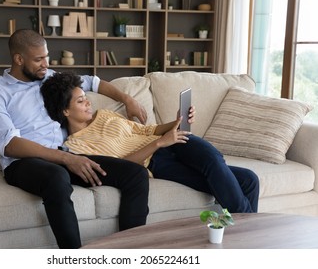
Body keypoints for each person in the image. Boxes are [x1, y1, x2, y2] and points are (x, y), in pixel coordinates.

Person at [0, 29, 150, 249]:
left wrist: (127, 99)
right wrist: (65, 159)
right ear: (19, 59)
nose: (45, 64)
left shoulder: (50, 78)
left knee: (135, 174)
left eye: (46, 57)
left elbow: (93, 82)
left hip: (65, 155)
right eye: (38, 59)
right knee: (57, 177)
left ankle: (131, 251)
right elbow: (9, 145)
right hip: (23, 163)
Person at [41, 72, 260, 214]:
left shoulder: (104, 115)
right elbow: (121, 168)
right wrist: (159, 144)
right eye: (80, 101)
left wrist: (177, 122)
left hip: (175, 141)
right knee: (248, 180)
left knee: (214, 160)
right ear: (65, 111)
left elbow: (147, 130)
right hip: (156, 162)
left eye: (85, 97)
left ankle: (244, 238)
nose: (88, 102)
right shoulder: (77, 147)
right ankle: (247, 238)